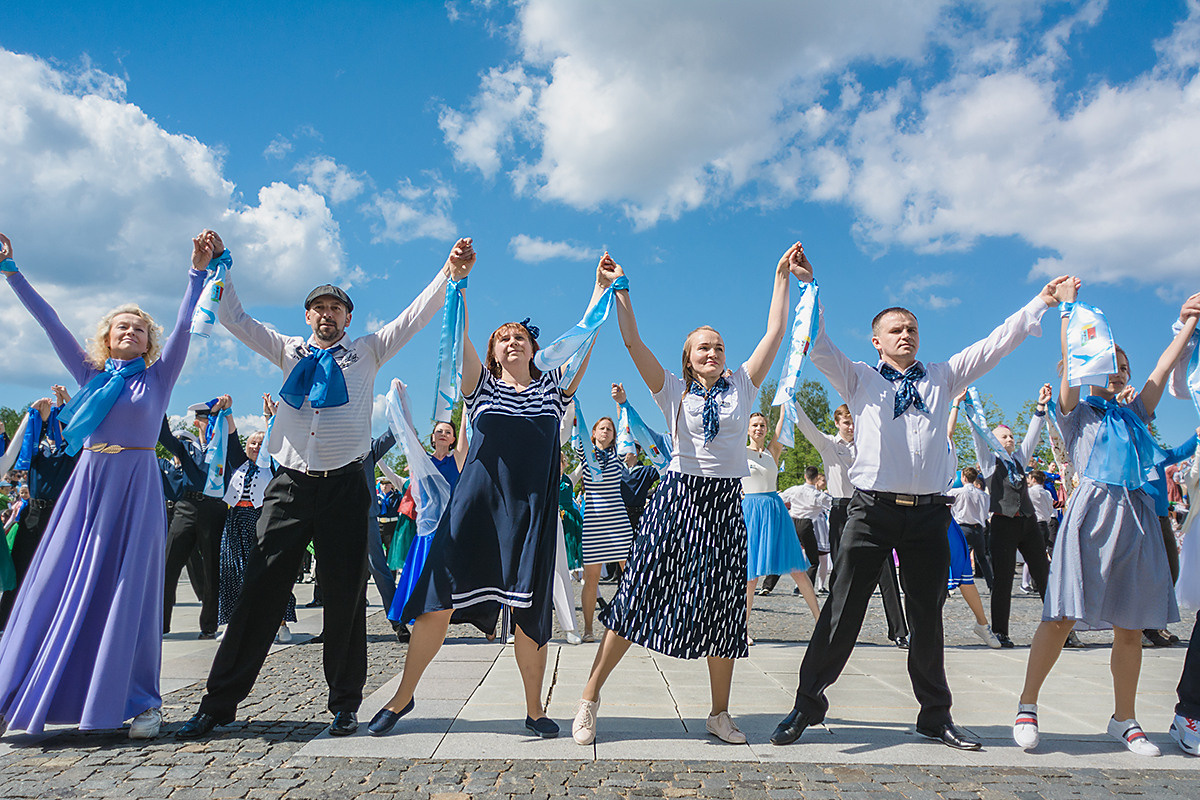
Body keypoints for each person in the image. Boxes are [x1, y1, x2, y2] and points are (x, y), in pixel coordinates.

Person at [771, 251, 1074, 751]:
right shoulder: (859, 379)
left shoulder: (943, 376)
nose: (905, 334)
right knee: (843, 609)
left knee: (928, 617)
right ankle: (806, 704)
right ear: (877, 341)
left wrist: (1040, 302)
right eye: (895, 329)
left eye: (911, 327)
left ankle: (935, 715)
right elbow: (816, 343)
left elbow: (996, 344)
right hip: (871, 512)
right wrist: (810, 284)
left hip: (931, 513)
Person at [175, 234, 473, 740]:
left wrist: (449, 272)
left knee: (345, 594)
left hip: (345, 487)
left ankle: (344, 704)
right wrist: (211, 269)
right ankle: (219, 702)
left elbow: (415, 316)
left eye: (335, 308)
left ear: (347, 318)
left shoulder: (368, 351)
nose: (325, 314)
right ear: (307, 316)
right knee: (259, 592)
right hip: (289, 486)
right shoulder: (287, 350)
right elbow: (236, 320)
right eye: (317, 308)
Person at [571, 244, 805, 747]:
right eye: (704, 347)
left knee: (723, 608)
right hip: (677, 500)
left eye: (719, 346)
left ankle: (719, 713)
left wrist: (780, 276)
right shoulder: (672, 390)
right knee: (638, 598)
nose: (714, 352)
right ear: (688, 357)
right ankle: (589, 696)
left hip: (724, 504)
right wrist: (622, 289)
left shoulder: (742, 384)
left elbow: (776, 334)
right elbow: (633, 344)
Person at [368, 254, 607, 741]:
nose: (513, 340)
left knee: (529, 614)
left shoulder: (553, 390)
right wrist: (460, 284)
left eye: (521, 336)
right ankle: (402, 695)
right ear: (495, 352)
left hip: (531, 517)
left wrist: (600, 290)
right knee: (438, 604)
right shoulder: (481, 388)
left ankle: (534, 709)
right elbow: (458, 342)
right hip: (474, 511)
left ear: (536, 348)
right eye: (504, 337)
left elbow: (583, 340)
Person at [0, 229, 208, 738]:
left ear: (148, 340)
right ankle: (17, 691)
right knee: (55, 584)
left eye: (139, 328)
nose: (130, 332)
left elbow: (185, 324)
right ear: (106, 335)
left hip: (138, 488)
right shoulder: (89, 375)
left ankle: (142, 703)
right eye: (121, 326)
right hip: (88, 488)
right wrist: (11, 271)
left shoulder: (159, 378)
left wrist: (196, 270)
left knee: (132, 594)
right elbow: (49, 322)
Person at [1013, 288, 1197, 757]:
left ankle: (1125, 718)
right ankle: (1027, 705)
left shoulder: (1135, 415)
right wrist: (1070, 312)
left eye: (1121, 366)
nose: (1115, 372)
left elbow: (1160, 370)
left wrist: (1189, 322)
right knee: (1061, 616)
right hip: (1093, 513)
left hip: (1135, 516)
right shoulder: (1077, 412)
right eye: (1105, 364)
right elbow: (1071, 361)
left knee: (1131, 626)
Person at [791, 400, 909, 646]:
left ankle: (899, 631)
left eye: (854, 422)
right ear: (837, 423)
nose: (851, 427)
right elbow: (804, 424)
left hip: (872, 508)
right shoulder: (828, 445)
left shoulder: (869, 445)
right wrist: (790, 398)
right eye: (846, 422)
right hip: (842, 510)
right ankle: (834, 630)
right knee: (841, 573)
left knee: (886, 573)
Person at [970, 385, 1052, 648]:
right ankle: (1000, 631)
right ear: (994, 441)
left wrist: (1040, 408)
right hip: (1003, 523)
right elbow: (977, 436)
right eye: (1004, 437)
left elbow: (1033, 435)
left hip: (1027, 522)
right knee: (1003, 580)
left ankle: (1060, 628)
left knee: (1044, 575)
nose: (1010, 439)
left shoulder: (1019, 459)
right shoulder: (989, 462)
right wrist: (968, 409)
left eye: (1011, 436)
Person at [158, 396, 243, 638]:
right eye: (206, 419)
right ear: (197, 423)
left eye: (213, 419)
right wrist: (159, 405)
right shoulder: (188, 448)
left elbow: (238, 457)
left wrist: (227, 415)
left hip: (214, 509)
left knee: (211, 569)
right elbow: (164, 438)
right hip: (187, 506)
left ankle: (209, 626)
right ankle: (159, 624)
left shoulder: (224, 447)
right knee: (168, 566)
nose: (209, 423)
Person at [0, 390, 77, 631]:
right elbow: (17, 449)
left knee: (58, 570)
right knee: (20, 567)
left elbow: (79, 433)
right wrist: (35, 417)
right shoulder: (36, 449)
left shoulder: (72, 450)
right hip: (33, 512)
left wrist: (69, 405)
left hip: (60, 513)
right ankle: (6, 622)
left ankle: (55, 621)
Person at [744, 413, 819, 645]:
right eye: (755, 425)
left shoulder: (772, 451)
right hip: (752, 511)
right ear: (747, 429)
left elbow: (781, 425)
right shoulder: (739, 452)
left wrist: (786, 403)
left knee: (797, 569)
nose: (759, 429)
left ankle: (821, 622)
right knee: (750, 576)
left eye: (762, 425)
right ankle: (741, 629)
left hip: (775, 511)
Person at [573, 406, 635, 642]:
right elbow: (576, 427)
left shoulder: (619, 455)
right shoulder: (585, 455)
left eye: (609, 429)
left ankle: (631, 625)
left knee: (629, 575)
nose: (606, 431)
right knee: (592, 579)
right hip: (594, 522)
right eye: (602, 428)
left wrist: (622, 405)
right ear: (594, 433)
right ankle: (588, 629)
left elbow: (624, 424)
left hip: (619, 521)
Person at [946, 467, 993, 591]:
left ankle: (947, 586)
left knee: (952, 557)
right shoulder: (984, 495)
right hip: (978, 529)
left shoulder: (956, 492)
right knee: (982, 558)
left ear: (964, 478)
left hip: (961, 528)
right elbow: (986, 513)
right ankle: (991, 585)